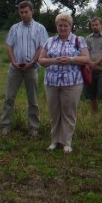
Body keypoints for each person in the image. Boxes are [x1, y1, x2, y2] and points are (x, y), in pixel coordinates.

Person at [38, 13, 90, 154]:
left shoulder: (79, 40)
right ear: (56, 26)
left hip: (72, 82)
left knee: (68, 112)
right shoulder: (49, 41)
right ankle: (54, 140)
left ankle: (66, 142)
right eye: (60, 25)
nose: (62, 28)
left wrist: (71, 59)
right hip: (52, 82)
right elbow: (41, 60)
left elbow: (86, 59)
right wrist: (54, 60)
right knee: (54, 112)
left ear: (70, 26)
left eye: (65, 25)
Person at [1, 1, 49, 137]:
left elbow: (42, 47)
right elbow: (9, 46)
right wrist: (13, 62)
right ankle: (5, 126)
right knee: (9, 98)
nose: (23, 15)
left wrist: (32, 62)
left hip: (31, 68)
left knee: (32, 100)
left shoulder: (40, 28)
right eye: (21, 12)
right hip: (15, 68)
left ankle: (34, 128)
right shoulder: (15, 28)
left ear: (32, 11)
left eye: (26, 12)